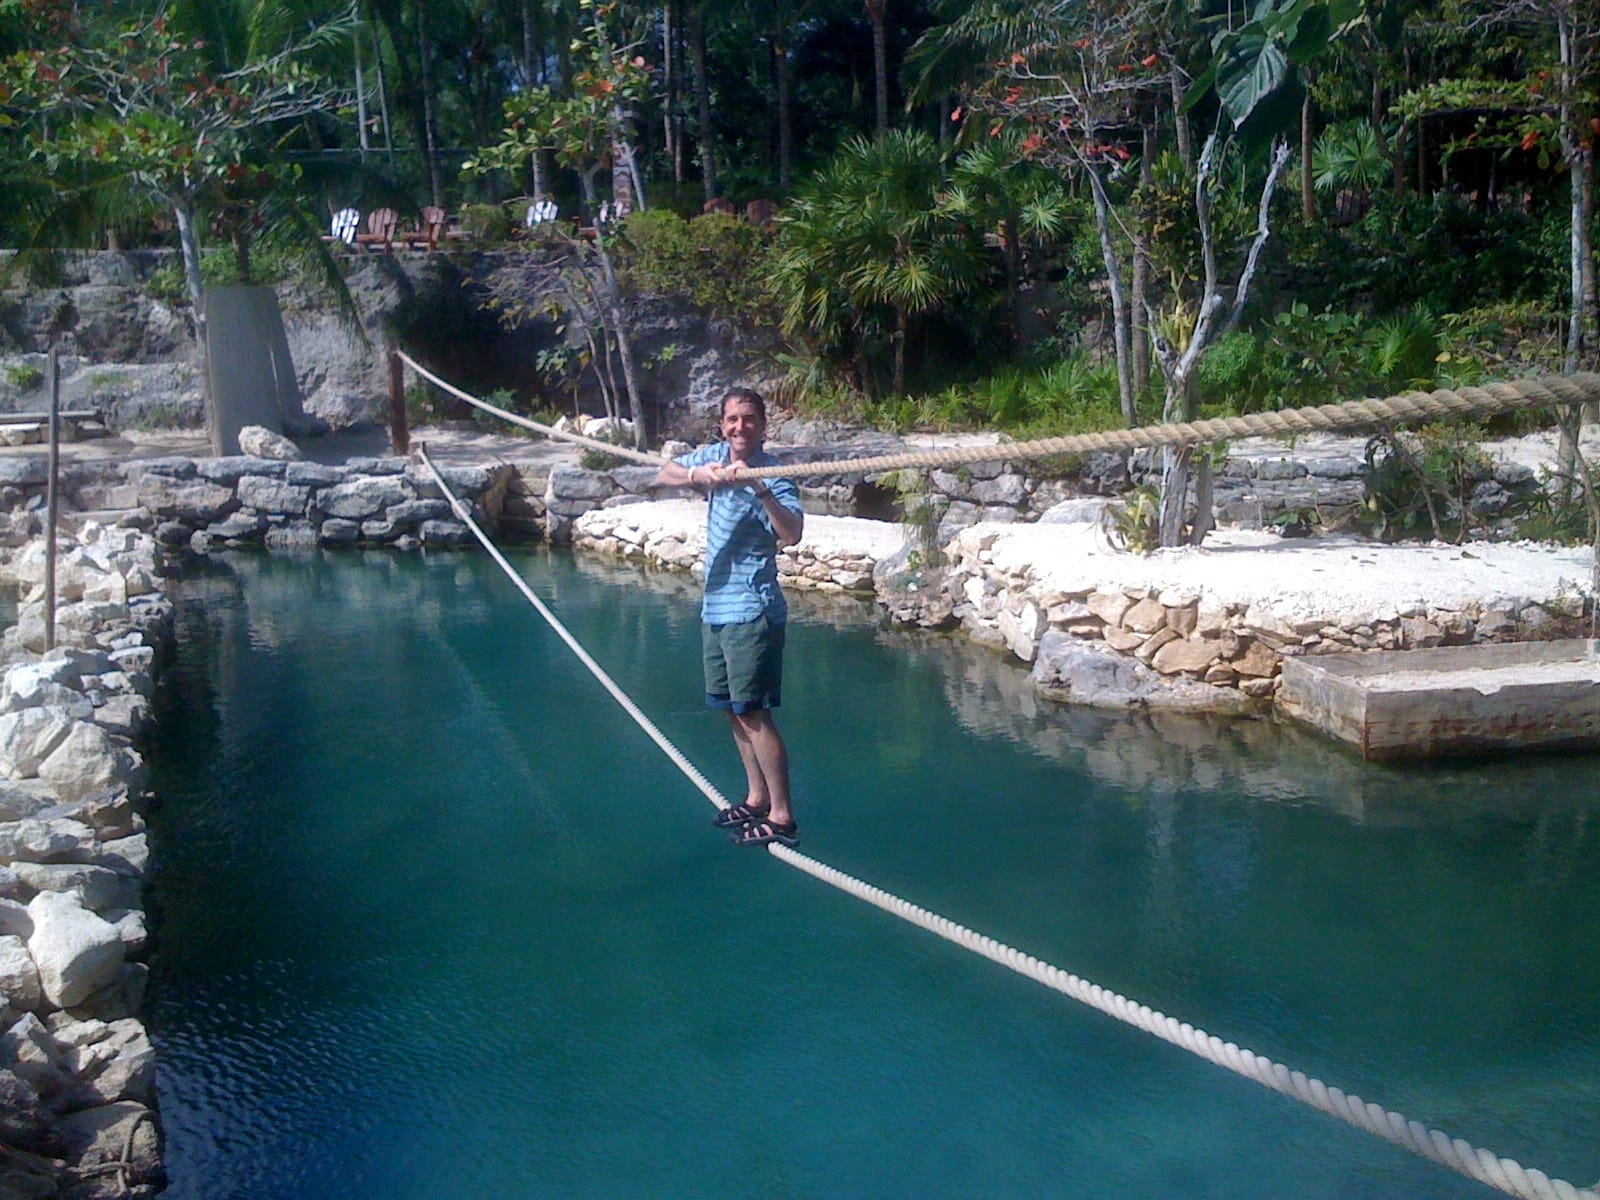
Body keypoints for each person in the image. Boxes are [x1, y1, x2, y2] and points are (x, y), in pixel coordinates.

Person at [654, 388, 805, 847]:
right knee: (733, 712)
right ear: (722, 425)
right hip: (715, 606)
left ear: (763, 425)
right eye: (732, 419)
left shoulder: (776, 473)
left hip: (751, 611)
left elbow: (792, 534)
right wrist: (696, 474)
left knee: (755, 713)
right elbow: (664, 472)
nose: (740, 427)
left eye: (749, 419)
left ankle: (782, 816)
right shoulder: (715, 455)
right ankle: (757, 797)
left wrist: (756, 488)